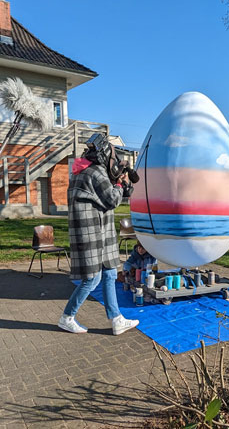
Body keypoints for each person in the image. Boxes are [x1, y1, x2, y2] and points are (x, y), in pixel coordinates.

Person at [58, 134, 139, 335]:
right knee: (92, 279)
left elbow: (121, 194)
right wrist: (120, 184)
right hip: (91, 232)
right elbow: (112, 198)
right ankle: (67, 317)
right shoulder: (95, 173)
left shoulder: (86, 170)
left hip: (96, 231)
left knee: (110, 273)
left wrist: (122, 182)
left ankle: (116, 319)